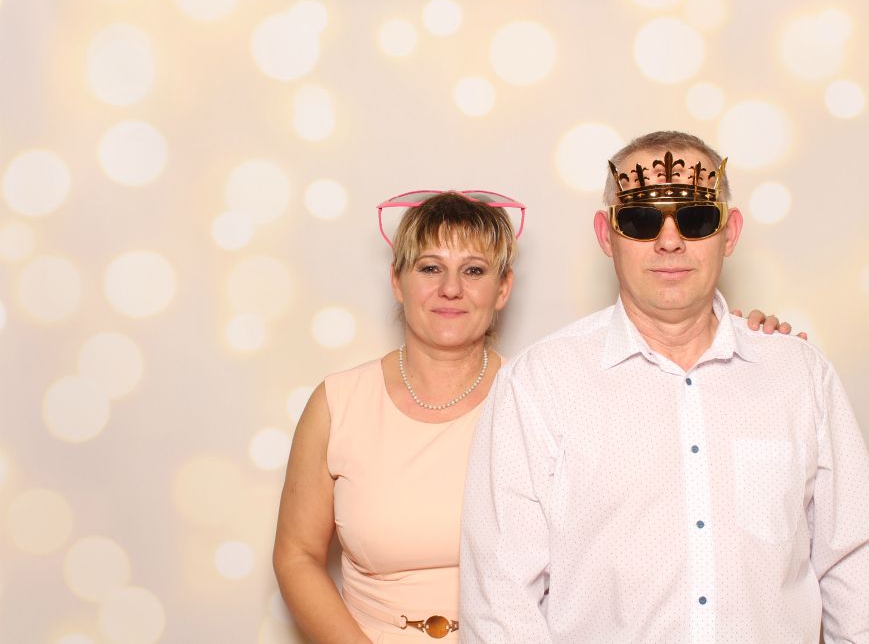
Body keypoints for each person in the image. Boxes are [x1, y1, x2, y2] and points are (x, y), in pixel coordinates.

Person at [273, 189, 797, 643]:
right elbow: (296, 555)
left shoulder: (546, 393)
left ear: (502, 288)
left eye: (474, 270)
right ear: (397, 281)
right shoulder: (338, 403)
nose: (451, 289)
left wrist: (738, 345)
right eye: (430, 268)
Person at [459, 131, 869, 643]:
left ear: (729, 233)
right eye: (641, 221)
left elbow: (859, 563)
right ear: (606, 235)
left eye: (694, 219)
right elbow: (501, 598)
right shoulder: (540, 384)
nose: (669, 242)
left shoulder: (798, 375)